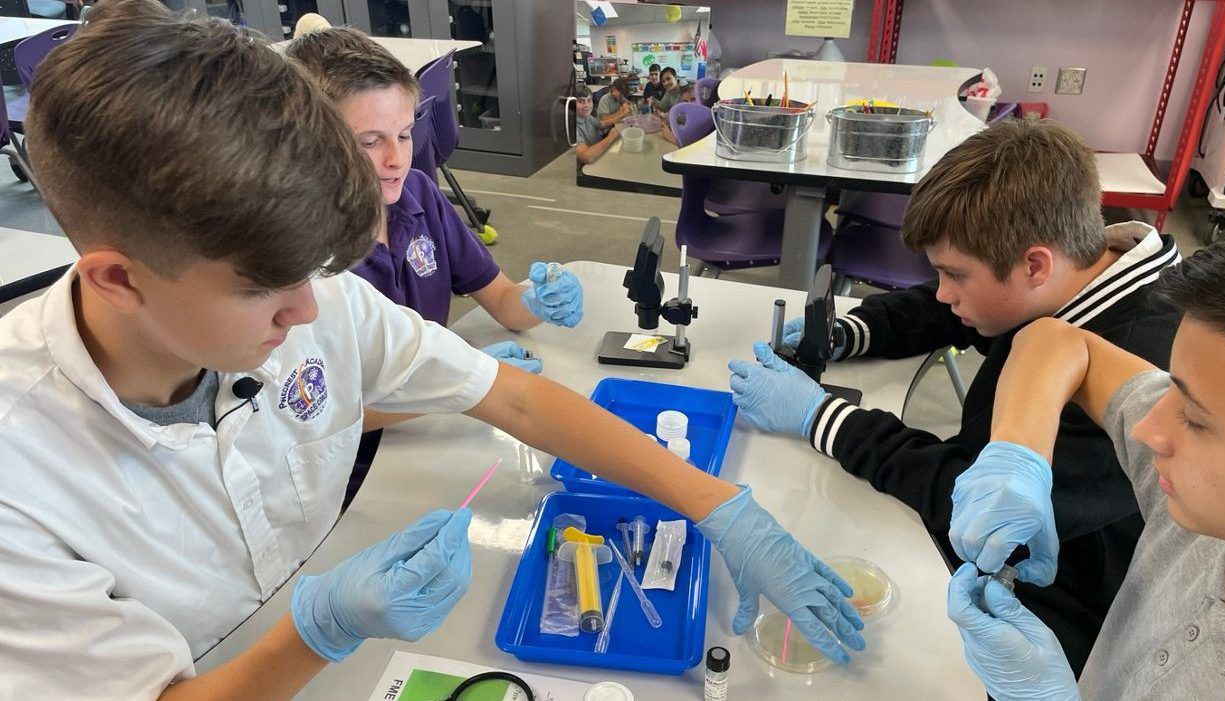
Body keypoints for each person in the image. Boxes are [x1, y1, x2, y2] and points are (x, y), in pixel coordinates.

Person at [0, 2, 866, 697]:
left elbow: (519, 398)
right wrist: (318, 630)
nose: (309, 310)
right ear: (118, 278)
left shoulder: (322, 299)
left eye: (317, 270)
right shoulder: (21, 473)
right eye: (264, 286)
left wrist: (721, 509)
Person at [727, 119, 1183, 675]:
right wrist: (852, 331)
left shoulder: (1146, 375)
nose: (943, 291)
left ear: (1035, 265)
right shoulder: (1076, 272)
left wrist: (822, 416)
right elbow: (951, 306)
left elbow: (966, 501)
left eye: (953, 274)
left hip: (1056, 614)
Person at [286, 27, 584, 507]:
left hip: (440, 432)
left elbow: (505, 303)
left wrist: (536, 298)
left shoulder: (419, 197)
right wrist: (452, 387)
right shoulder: (299, 257)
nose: (395, 159)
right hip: (351, 477)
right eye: (369, 142)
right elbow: (322, 416)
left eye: (404, 134)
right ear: (310, 143)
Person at [946, 234, 1225, 699]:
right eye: (1172, 388)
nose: (1146, 429)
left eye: (1194, 417)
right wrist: (1018, 453)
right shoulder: (1209, 511)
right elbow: (1059, 341)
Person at [573, 84, 620, 165]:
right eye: (581, 101)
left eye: (589, 100)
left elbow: (602, 124)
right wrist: (611, 137)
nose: (587, 105)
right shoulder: (571, 127)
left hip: (599, 155)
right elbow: (587, 157)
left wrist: (623, 114)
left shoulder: (587, 117)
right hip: (586, 168)